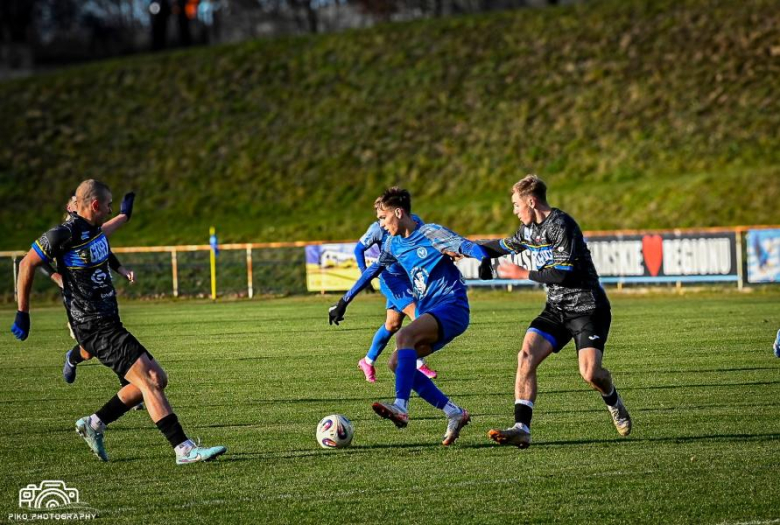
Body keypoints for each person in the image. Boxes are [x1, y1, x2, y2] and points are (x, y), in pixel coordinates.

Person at [11, 179, 226, 464]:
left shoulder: (93, 230)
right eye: (109, 205)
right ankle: (184, 450)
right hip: (93, 324)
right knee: (150, 379)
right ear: (96, 205)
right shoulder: (64, 233)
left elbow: (106, 233)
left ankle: (95, 423)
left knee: (157, 379)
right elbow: (28, 263)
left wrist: (125, 216)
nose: (111, 209)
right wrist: (23, 312)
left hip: (109, 321)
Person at [476, 175, 631, 449]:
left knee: (591, 374)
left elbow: (563, 273)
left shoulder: (562, 225)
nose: (514, 210)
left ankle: (613, 400)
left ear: (531, 202)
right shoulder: (528, 230)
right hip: (556, 309)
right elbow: (503, 245)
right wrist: (466, 249)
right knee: (525, 355)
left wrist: (522, 273)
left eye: (515, 204)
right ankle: (522, 427)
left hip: (587, 309)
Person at [329, 187, 490, 446]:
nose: (381, 224)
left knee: (403, 334)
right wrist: (343, 301)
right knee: (396, 363)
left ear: (398, 212)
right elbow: (372, 271)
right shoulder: (393, 243)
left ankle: (401, 407)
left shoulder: (430, 232)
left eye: (383, 218)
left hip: (452, 306)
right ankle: (454, 413)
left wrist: (484, 261)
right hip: (432, 311)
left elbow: (466, 245)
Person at [45, 191, 136, 385]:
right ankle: (73, 357)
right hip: (79, 303)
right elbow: (35, 260)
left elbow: (105, 250)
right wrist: (59, 278)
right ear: (70, 208)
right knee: (91, 349)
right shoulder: (63, 234)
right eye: (76, 202)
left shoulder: (93, 230)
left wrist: (122, 269)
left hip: (102, 296)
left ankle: (129, 387)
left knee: (113, 339)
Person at [354, 216, 438, 382]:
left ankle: (367, 361)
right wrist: (365, 274)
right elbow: (358, 249)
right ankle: (417, 362)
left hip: (408, 278)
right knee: (419, 317)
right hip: (392, 280)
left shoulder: (415, 221)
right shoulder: (378, 228)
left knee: (392, 324)